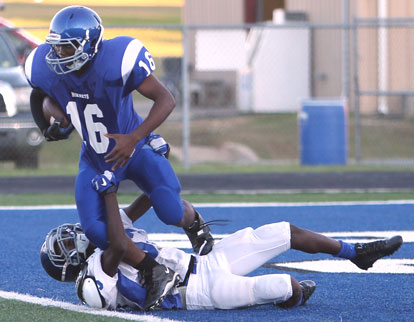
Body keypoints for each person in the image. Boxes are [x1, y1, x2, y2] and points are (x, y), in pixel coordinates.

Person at [25, 5, 214, 307]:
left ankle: (195, 224)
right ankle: (153, 271)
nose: (58, 53)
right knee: (96, 231)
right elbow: (40, 93)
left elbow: (166, 98)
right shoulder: (47, 66)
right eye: (56, 45)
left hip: (134, 149)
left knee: (169, 210)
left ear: (88, 45)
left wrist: (135, 138)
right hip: (94, 157)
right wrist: (47, 126)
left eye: (66, 46)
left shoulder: (117, 60)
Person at [41, 171, 403, 311]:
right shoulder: (92, 276)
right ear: (69, 266)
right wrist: (108, 194)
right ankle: (294, 295)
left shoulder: (106, 234)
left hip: (203, 262)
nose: (73, 236)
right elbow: (119, 246)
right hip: (199, 292)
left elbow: (146, 200)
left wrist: (149, 165)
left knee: (284, 231)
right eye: (65, 246)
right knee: (288, 285)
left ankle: (357, 254)